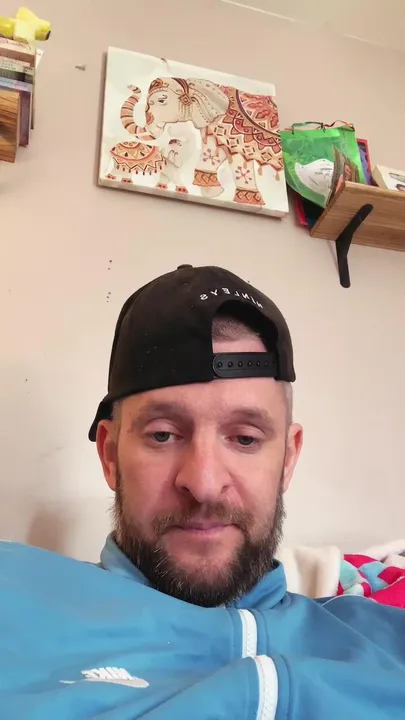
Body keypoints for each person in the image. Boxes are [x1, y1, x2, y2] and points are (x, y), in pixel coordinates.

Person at [0, 264, 404, 719]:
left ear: (288, 459)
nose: (205, 483)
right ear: (110, 455)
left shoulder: (386, 643)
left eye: (245, 438)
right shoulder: (11, 595)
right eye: (163, 435)